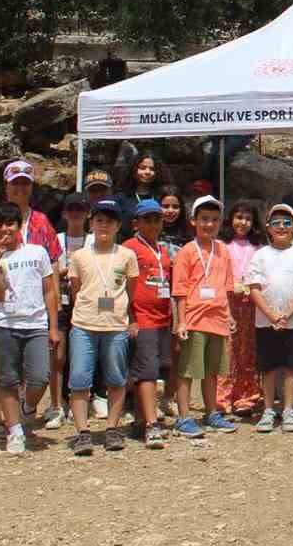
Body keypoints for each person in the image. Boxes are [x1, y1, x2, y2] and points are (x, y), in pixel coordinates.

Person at [0, 200, 60, 455]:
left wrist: (53, 326)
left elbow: (49, 290)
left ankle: (27, 407)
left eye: (9, 223)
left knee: (40, 376)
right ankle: (14, 430)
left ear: (20, 225)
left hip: (35, 323)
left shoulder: (37, 253)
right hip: (5, 324)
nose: (4, 229)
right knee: (7, 379)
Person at [64, 197, 138, 455]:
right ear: (91, 223)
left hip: (116, 325)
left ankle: (111, 428)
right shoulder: (79, 255)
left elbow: (132, 289)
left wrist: (131, 319)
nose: (103, 225)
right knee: (79, 379)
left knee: (116, 378)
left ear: (118, 225)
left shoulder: (127, 255)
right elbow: (75, 290)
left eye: (109, 221)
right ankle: (83, 432)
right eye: (98, 220)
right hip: (84, 324)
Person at [170, 195, 236, 439]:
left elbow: (226, 287)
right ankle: (184, 416)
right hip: (195, 320)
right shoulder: (187, 252)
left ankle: (211, 413)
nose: (209, 224)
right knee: (188, 370)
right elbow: (179, 290)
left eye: (215, 220)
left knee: (212, 371)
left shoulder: (223, 251)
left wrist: (229, 316)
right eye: (204, 219)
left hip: (217, 320)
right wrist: (182, 321)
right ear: (193, 221)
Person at [246, 203, 293, 434]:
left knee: (292, 367)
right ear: (268, 227)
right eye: (276, 222)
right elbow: (254, 288)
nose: (282, 227)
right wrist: (272, 315)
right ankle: (268, 409)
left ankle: (288, 409)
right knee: (268, 367)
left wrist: (286, 315)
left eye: (287, 222)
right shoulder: (260, 255)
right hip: (266, 321)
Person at [121, 199, 175, 448]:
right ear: (136, 223)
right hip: (142, 319)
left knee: (159, 369)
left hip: (162, 317)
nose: (153, 224)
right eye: (147, 220)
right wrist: (130, 319)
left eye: (157, 219)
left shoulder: (162, 250)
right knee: (147, 372)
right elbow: (122, 287)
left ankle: (141, 421)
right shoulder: (129, 248)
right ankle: (153, 425)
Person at [45, 192, 92, 429]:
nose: (75, 214)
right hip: (61, 300)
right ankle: (55, 404)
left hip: (86, 303)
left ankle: (78, 401)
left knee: (81, 355)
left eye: (80, 210)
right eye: (71, 209)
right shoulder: (55, 239)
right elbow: (50, 272)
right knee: (58, 356)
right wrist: (68, 271)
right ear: (64, 213)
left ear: (87, 214)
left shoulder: (93, 240)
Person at [217, 201, 264, 417]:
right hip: (228, 302)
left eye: (247, 218)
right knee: (228, 350)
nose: (243, 222)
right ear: (231, 219)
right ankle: (222, 397)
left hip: (252, 304)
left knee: (249, 351)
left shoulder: (260, 247)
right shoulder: (221, 245)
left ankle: (247, 396)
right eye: (238, 217)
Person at [115, 153, 170, 238]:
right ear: (134, 170)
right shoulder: (121, 198)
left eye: (152, 169)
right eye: (143, 168)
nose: (147, 172)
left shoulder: (163, 196)